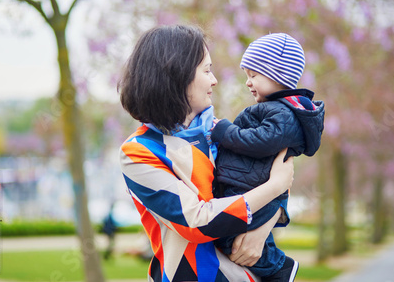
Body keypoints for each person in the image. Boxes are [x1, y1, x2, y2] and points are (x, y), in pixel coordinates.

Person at [118, 25, 294, 282]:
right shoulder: (138, 152)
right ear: (177, 75)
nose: (214, 80)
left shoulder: (222, 131)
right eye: (207, 70)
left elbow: (279, 182)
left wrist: (263, 229)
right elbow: (198, 222)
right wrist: (276, 185)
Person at [212, 33, 325, 281]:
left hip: (251, 190)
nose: (247, 83)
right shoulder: (277, 109)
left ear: (278, 75)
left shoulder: (283, 113)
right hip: (249, 186)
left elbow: (259, 142)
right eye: (246, 77)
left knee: (233, 240)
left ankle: (280, 270)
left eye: (254, 75)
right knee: (235, 240)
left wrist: (224, 130)